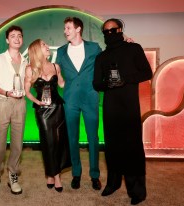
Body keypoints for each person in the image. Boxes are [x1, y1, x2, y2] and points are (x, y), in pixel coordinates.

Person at [93, 18, 153, 205]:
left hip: (130, 107)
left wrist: (126, 79)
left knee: (133, 147)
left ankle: (137, 190)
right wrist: (108, 84)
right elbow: (96, 84)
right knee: (112, 147)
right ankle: (113, 183)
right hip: (111, 108)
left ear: (120, 30)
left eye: (113, 30)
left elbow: (147, 73)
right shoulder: (101, 57)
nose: (109, 34)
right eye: (106, 32)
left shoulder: (133, 49)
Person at [55, 17, 102, 190]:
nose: (65, 31)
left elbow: (105, 62)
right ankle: (76, 173)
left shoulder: (94, 48)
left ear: (78, 29)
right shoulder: (60, 51)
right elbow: (56, 73)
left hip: (90, 99)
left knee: (93, 139)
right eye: (65, 28)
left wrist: (126, 43)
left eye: (68, 28)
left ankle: (95, 175)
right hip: (70, 100)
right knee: (72, 138)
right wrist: (59, 79)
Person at [0, 25, 27, 195]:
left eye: (19, 35)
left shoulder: (25, 61)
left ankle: (13, 175)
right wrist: (6, 92)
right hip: (2, 103)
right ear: (7, 40)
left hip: (20, 104)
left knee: (17, 144)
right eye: (13, 36)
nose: (17, 38)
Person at [24, 39, 71, 193]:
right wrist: (37, 101)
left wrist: (76, 77)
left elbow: (62, 84)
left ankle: (52, 175)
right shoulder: (30, 69)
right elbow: (26, 92)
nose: (47, 46)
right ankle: (55, 175)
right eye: (44, 45)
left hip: (58, 107)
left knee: (59, 141)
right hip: (42, 111)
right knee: (48, 142)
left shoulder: (55, 66)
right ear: (37, 49)